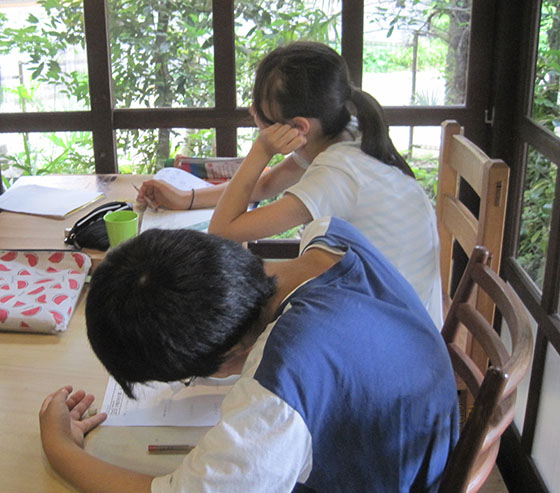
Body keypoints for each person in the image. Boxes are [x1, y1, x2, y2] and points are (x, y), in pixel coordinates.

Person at [39, 217, 459, 493]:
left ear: (218, 357)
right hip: (417, 441)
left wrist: (61, 449)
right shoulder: (331, 236)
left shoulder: (277, 390)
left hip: (398, 477)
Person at [137, 41, 443, 327]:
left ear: (298, 127)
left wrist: (262, 150)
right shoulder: (343, 131)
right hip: (396, 306)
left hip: (394, 330)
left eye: (261, 115)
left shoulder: (337, 174)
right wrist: (187, 198)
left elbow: (223, 233)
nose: (252, 114)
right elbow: (268, 183)